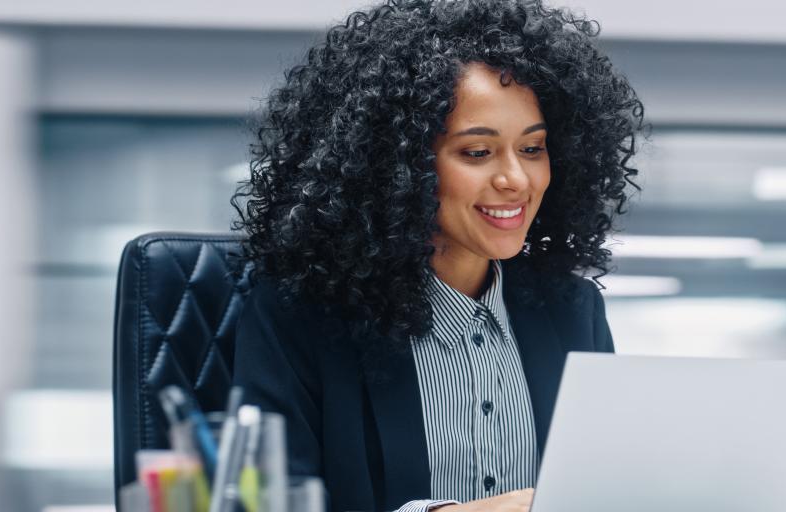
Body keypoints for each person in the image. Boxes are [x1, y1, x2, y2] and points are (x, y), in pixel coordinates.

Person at [229, 0, 645, 510]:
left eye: (533, 149)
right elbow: (267, 503)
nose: (515, 179)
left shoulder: (571, 310)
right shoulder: (301, 316)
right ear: (396, 164)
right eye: (477, 152)